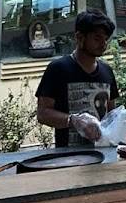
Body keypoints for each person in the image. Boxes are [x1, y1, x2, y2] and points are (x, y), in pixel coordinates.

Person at [35, 11, 119, 147]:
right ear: (79, 37)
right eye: (97, 38)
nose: (103, 44)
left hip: (103, 152)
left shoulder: (107, 71)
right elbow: (43, 114)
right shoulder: (58, 69)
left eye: (105, 39)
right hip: (69, 155)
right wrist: (73, 120)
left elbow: (111, 115)